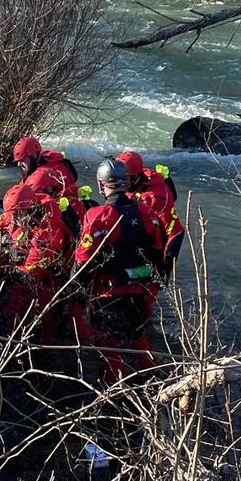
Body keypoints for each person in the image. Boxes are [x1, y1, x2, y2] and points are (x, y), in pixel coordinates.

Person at [73, 158, 169, 382]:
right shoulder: (148, 213)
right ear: (127, 182)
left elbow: (82, 263)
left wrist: (77, 293)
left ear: (101, 184)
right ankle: (155, 382)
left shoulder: (98, 217)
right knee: (138, 338)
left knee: (109, 348)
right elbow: (159, 254)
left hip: (110, 294)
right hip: (140, 289)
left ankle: (115, 395)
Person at [0, 183, 75, 346]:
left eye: (14, 215)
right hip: (23, 271)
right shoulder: (20, 211)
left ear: (24, 212)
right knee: (9, 313)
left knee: (41, 328)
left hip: (46, 284)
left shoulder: (48, 231)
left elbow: (30, 272)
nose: (10, 219)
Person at [115, 150, 183, 277]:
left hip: (150, 257)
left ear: (136, 176)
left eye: (125, 179)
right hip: (133, 239)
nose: (120, 183)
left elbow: (176, 232)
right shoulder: (138, 177)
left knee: (121, 277)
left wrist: (164, 269)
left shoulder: (156, 199)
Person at [13, 135, 88, 213]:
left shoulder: (40, 177)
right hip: (73, 208)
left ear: (33, 156)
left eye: (22, 159)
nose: (19, 164)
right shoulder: (54, 160)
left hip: (59, 215)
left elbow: (23, 205)